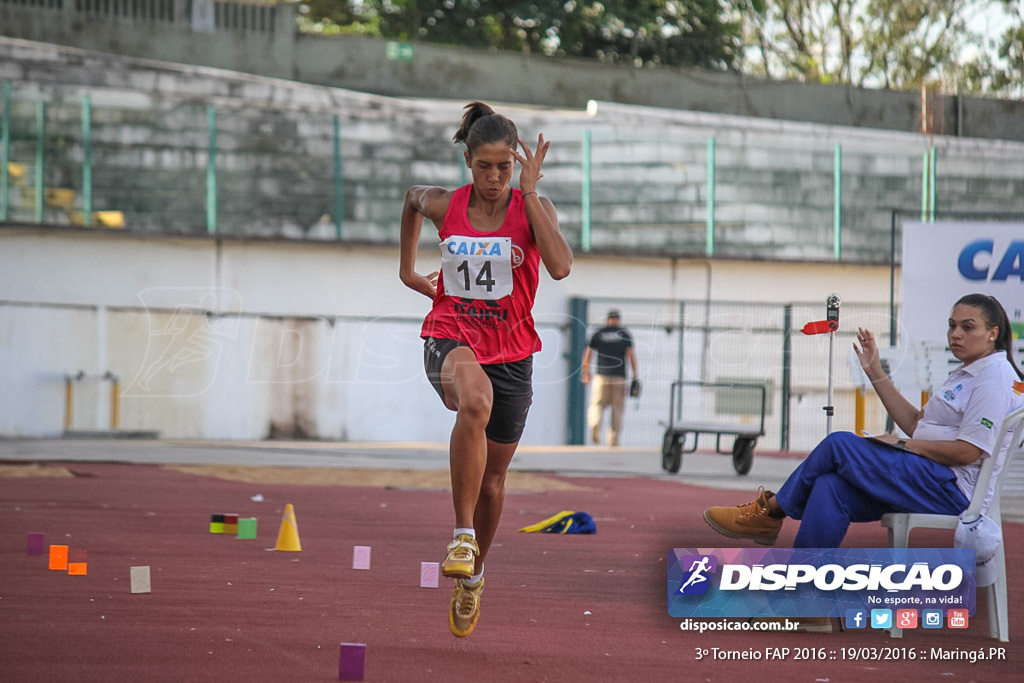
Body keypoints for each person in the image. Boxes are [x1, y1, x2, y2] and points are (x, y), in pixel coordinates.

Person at [398, 102, 572, 638]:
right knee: (473, 400)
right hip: (449, 335)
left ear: (514, 163)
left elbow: (561, 267)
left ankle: (472, 576)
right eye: (484, 167)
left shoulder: (531, 206)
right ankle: (461, 535)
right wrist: (408, 272)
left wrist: (531, 188)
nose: (495, 178)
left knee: (494, 483)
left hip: (513, 352)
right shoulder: (445, 204)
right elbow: (410, 200)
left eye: (504, 167)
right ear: (467, 162)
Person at [704, 293, 1024, 551]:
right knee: (831, 487)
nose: (955, 334)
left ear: (992, 334)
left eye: (968, 327)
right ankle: (806, 598)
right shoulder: (969, 373)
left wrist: (900, 444)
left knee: (839, 444)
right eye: (952, 325)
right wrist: (876, 373)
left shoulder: (994, 379)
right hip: (926, 477)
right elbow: (917, 423)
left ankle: (771, 512)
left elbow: (967, 453)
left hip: (951, 490)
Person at [581, 309, 639, 446]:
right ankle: (613, 441)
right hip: (619, 377)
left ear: (608, 319)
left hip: (601, 376)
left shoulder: (599, 333)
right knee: (617, 409)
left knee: (596, 404)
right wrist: (635, 375)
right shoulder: (624, 334)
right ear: (618, 320)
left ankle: (595, 424)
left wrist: (586, 372)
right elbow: (630, 355)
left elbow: (588, 353)